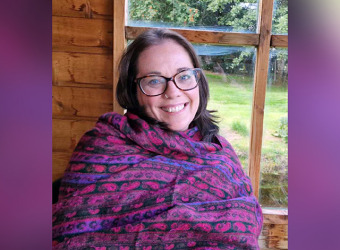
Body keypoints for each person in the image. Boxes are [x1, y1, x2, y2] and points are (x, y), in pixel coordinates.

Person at [52, 29, 263, 249]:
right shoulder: (101, 148)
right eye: (154, 81)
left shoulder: (220, 152)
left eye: (184, 76)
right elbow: (68, 236)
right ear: (133, 91)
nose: (172, 92)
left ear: (198, 82)